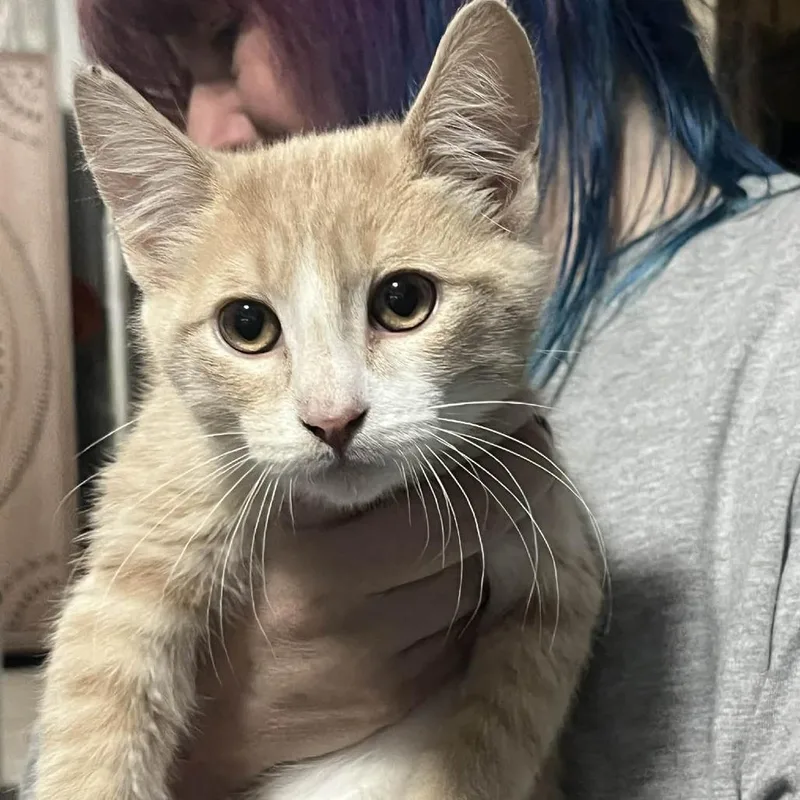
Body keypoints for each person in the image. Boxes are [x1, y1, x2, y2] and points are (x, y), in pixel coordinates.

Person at [28, 0, 800, 797]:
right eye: (250, 325)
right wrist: (223, 739)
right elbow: (87, 694)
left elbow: (552, 606)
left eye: (400, 302)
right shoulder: (190, 440)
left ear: (497, 185)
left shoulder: (773, 332)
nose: (329, 412)